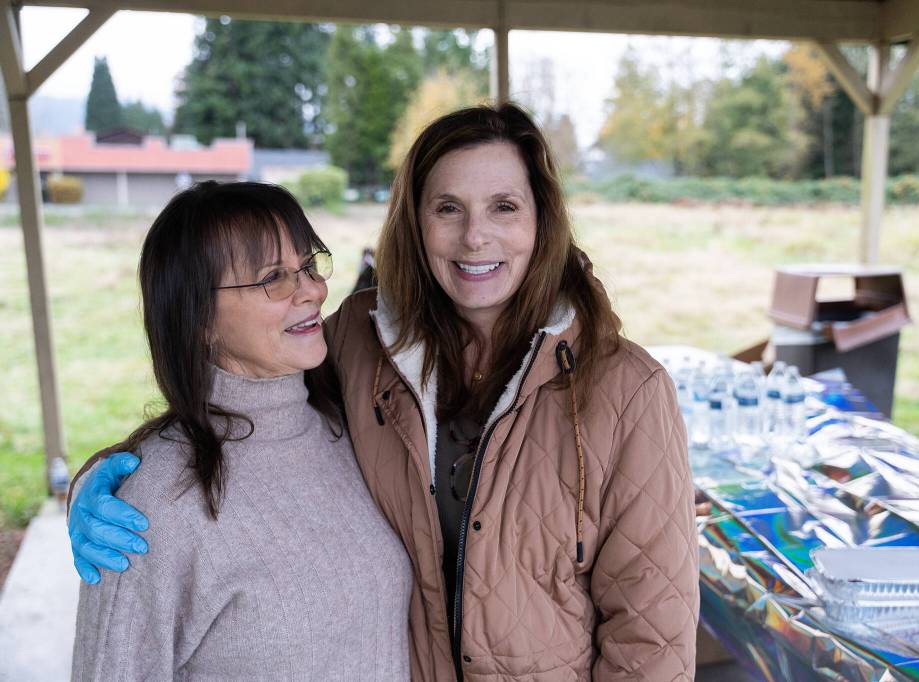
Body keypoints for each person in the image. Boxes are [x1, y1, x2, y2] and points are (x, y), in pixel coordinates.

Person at [70, 104, 699, 680]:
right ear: (417, 223)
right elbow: (249, 405)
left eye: (504, 206)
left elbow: (653, 637)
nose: (475, 236)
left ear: (542, 220)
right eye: (447, 208)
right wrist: (110, 482)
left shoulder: (626, 391)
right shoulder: (361, 343)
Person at [69, 182, 412, 680]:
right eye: (273, 278)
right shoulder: (146, 511)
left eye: (308, 265)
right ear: (199, 318)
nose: (314, 289)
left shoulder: (354, 426)